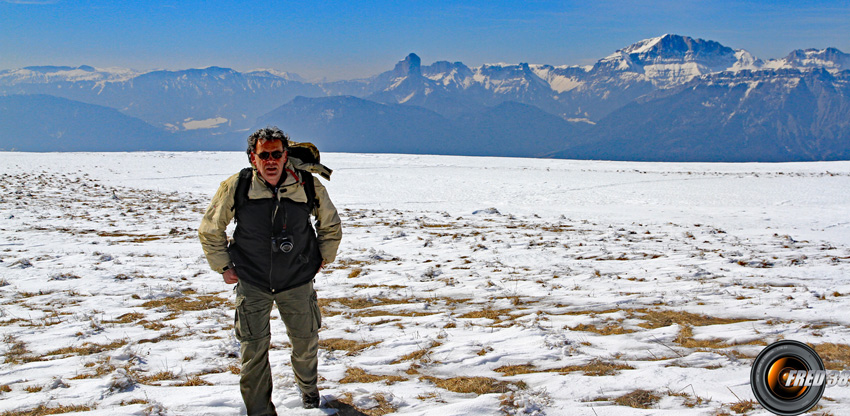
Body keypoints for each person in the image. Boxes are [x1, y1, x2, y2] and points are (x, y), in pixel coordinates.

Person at [199, 127, 342, 413]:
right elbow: (211, 228)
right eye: (264, 155)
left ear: (285, 155)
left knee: (305, 342)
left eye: (277, 154)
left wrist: (324, 256)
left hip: (297, 280)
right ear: (254, 157)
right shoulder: (237, 186)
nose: (271, 160)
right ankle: (260, 412)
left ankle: (308, 390)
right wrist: (223, 266)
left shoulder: (307, 184)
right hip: (252, 281)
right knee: (253, 352)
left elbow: (330, 223)